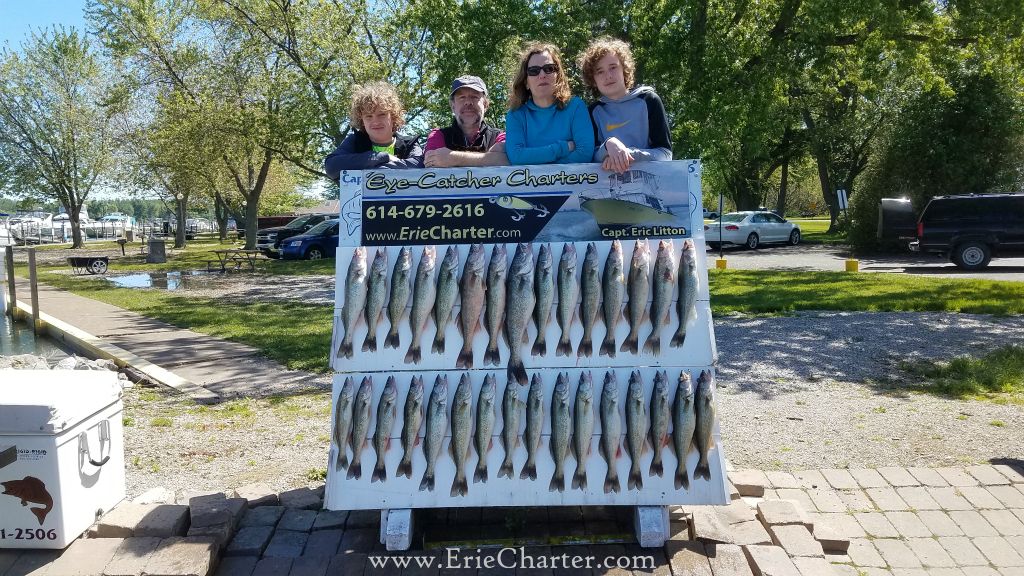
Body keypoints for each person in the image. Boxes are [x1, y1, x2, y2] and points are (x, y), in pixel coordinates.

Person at [577, 37, 672, 173]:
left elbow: (665, 154)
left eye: (613, 67)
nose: (608, 76)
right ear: (593, 79)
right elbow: (590, 157)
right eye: (600, 71)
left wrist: (625, 154)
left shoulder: (649, 100)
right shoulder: (592, 112)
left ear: (624, 69)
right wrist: (608, 145)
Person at [504, 42, 595, 165]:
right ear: (526, 82)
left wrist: (536, 159)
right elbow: (517, 157)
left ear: (558, 76)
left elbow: (584, 154)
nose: (542, 75)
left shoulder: (576, 106)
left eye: (549, 69)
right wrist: (563, 148)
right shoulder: (516, 115)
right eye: (534, 71)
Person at [324, 81, 423, 181]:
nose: (375, 121)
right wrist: (383, 157)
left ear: (393, 116)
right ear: (362, 120)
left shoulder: (410, 143)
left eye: (382, 114)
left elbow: (420, 165)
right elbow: (331, 166)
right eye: (369, 116)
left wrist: (369, 168)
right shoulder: (354, 141)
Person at [424, 75, 507, 168]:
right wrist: (489, 158)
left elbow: (506, 160)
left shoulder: (499, 136)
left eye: (474, 97)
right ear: (453, 106)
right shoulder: (438, 135)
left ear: (485, 104)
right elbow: (430, 162)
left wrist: (453, 158)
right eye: (462, 97)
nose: (468, 102)